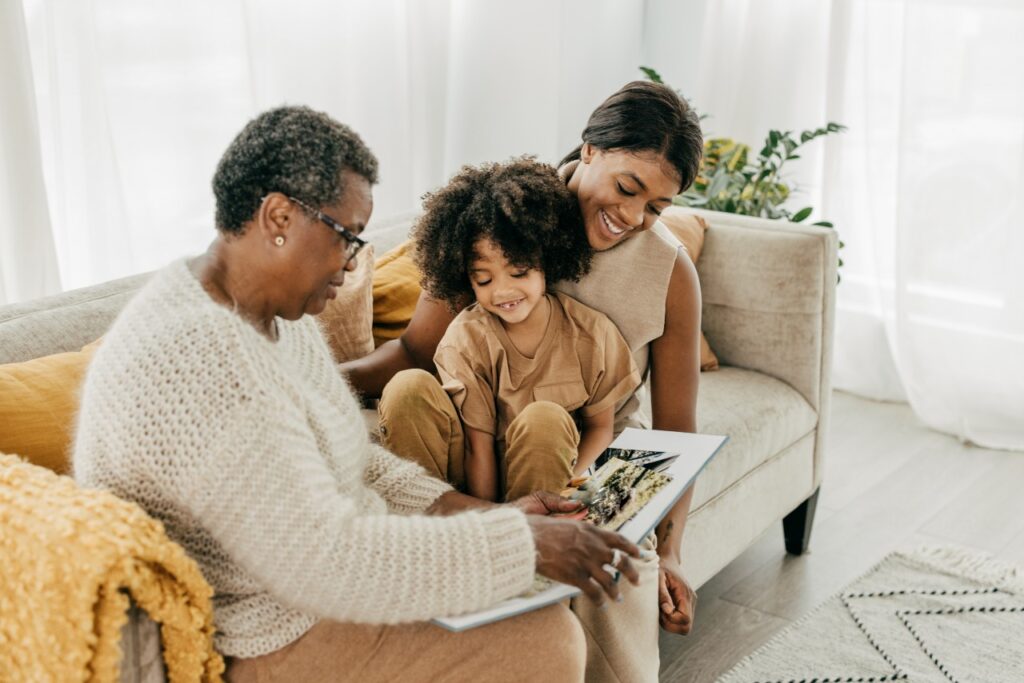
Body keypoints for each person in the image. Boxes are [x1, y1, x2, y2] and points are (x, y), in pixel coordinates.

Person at [72, 105, 645, 683]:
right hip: (252, 635)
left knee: (533, 623)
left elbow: (350, 455)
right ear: (278, 218)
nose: (352, 265)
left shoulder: (272, 314)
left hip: (300, 594)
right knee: (540, 641)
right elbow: (326, 560)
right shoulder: (201, 359)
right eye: (347, 238)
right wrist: (518, 544)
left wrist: (485, 514)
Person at [343, 80, 705, 677]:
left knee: (613, 583)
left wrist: (671, 552)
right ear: (589, 149)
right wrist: (317, 381)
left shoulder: (669, 272)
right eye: (627, 188)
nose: (634, 217)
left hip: (582, 466)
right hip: (471, 444)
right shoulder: (504, 214)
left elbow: (676, 434)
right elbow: (413, 352)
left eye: (657, 208)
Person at [408, 157, 642, 503]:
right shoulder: (466, 339)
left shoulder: (592, 334)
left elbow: (600, 428)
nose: (503, 291)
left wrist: (571, 493)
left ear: (546, 258)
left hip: (549, 481)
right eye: (484, 279)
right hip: (475, 489)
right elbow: (478, 447)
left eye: (519, 272)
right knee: (406, 387)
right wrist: (492, 522)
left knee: (544, 417)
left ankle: (539, 541)